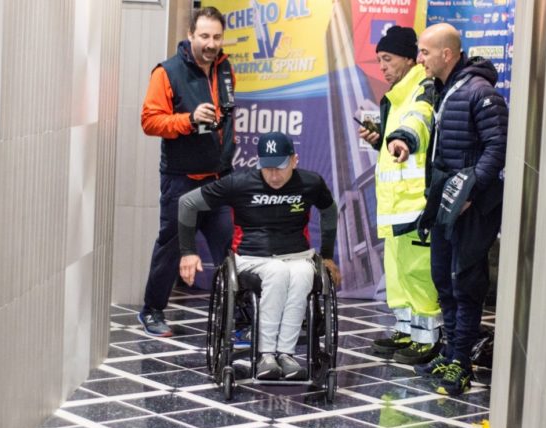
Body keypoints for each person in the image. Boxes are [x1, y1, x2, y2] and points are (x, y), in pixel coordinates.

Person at [178, 132, 341, 380]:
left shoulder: (311, 183)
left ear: (294, 160)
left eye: (280, 167)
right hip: (252, 258)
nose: (274, 175)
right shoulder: (240, 183)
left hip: (297, 255)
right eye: (267, 168)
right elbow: (187, 203)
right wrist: (188, 252)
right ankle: (266, 355)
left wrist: (327, 255)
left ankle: (286, 355)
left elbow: (329, 210)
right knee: (277, 271)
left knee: (303, 273)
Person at [413, 23, 508, 396]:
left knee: (465, 284)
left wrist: (471, 190)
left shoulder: (480, 92)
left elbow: (497, 148)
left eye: (425, 52)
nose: (420, 59)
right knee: (443, 279)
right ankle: (450, 352)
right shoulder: (444, 90)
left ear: (447, 54)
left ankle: (462, 363)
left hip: (472, 207)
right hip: (445, 202)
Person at [138, 7, 236, 337]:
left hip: (218, 179)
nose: (211, 43)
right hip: (181, 180)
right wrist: (189, 119)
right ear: (190, 34)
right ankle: (152, 311)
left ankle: (239, 318)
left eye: (217, 37)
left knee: (229, 249)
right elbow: (149, 121)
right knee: (171, 247)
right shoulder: (166, 72)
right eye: (204, 36)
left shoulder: (225, 68)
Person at [357, 26, 442, 365]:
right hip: (396, 205)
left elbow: (419, 122)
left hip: (416, 204)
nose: (383, 66)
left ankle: (428, 338)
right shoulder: (395, 95)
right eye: (379, 60)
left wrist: (403, 138)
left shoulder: (423, 87)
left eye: (388, 58)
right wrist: (381, 139)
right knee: (397, 273)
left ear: (409, 58)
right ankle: (407, 330)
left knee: (418, 272)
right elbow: (397, 146)